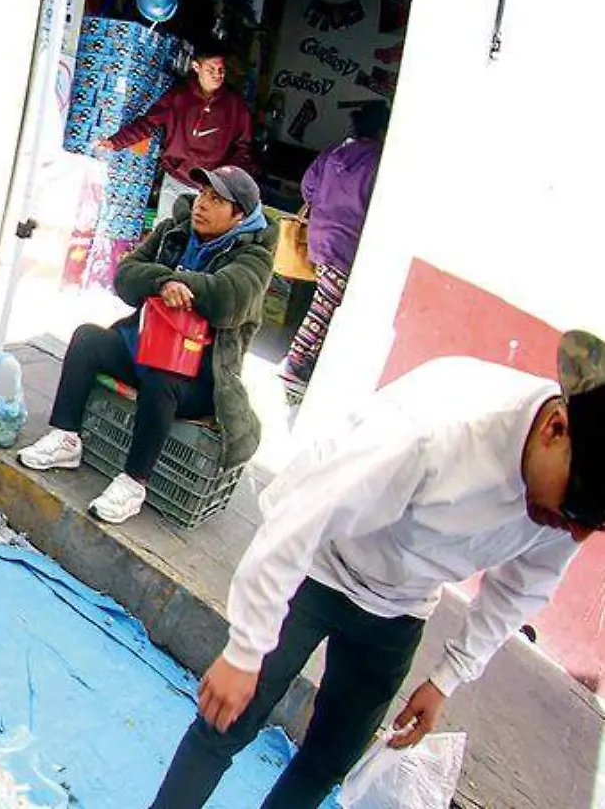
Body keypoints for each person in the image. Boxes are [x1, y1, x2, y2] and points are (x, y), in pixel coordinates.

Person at [147, 331, 605, 809]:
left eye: (591, 526)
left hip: (402, 605)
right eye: (569, 512)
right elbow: (303, 517)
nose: (568, 532)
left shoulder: (576, 501)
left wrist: (447, 678)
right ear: (555, 428)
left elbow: (522, 588)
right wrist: (244, 651)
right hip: (320, 564)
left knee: (328, 761)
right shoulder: (434, 427)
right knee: (226, 718)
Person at [19, 166, 275, 523]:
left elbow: (228, 300)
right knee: (88, 339)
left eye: (216, 200)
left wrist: (184, 285)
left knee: (162, 379)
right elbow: (126, 275)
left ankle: (133, 482)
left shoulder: (255, 257)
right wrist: (164, 282)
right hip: (146, 346)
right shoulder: (174, 232)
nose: (202, 204)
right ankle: (65, 437)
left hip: (201, 374)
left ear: (239, 216)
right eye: (202, 194)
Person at [281, 103, 389, 399]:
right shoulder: (380, 161)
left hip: (321, 238)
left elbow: (308, 188)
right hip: (347, 245)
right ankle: (295, 364)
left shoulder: (333, 152)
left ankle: (306, 363)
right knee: (324, 308)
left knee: (325, 301)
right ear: (381, 129)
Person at [99, 46, 254, 215]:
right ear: (196, 67)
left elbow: (243, 147)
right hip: (176, 179)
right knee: (168, 233)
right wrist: (116, 141)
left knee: (199, 239)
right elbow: (149, 123)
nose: (217, 74)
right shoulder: (178, 97)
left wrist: (227, 182)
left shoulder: (236, 106)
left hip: (211, 189)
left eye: (221, 70)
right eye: (211, 69)